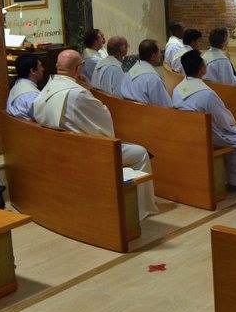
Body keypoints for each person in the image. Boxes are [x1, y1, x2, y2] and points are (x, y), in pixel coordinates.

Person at [32, 50, 158, 220]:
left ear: (57, 67)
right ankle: (140, 209)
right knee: (140, 153)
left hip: (60, 149)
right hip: (87, 152)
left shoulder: (47, 88)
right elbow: (103, 122)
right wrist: (88, 90)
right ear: (79, 69)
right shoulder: (77, 94)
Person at [172, 50, 236, 187]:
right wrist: (231, 122)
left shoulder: (178, 89)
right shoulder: (206, 94)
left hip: (189, 132)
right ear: (201, 69)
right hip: (212, 135)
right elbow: (224, 121)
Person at [121, 39, 172, 107]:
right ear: (153, 56)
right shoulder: (153, 79)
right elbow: (166, 106)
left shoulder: (129, 72)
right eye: (159, 51)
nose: (161, 54)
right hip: (145, 112)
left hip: (127, 109)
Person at [6, 53, 44, 121]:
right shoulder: (32, 95)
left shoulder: (16, 86)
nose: (43, 69)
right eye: (40, 66)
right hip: (29, 127)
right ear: (32, 71)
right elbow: (45, 119)